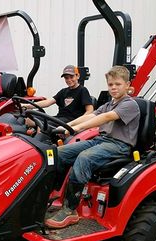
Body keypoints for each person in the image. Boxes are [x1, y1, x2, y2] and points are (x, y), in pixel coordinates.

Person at [45, 65, 140, 229]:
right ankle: (55, 196)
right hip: (101, 140)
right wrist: (65, 126)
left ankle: (70, 210)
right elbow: (90, 115)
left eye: (118, 84)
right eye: (111, 85)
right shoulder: (109, 104)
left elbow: (105, 117)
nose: (114, 88)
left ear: (127, 85)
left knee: (84, 158)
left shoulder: (129, 105)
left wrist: (76, 129)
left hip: (119, 145)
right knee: (57, 153)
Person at [23, 65, 94, 123]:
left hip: (71, 121)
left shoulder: (82, 90)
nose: (69, 80)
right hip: (60, 119)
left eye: (71, 77)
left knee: (41, 123)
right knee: (31, 116)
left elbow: (90, 110)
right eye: (66, 78)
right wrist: (26, 106)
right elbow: (47, 102)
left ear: (77, 76)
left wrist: (79, 122)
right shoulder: (63, 91)